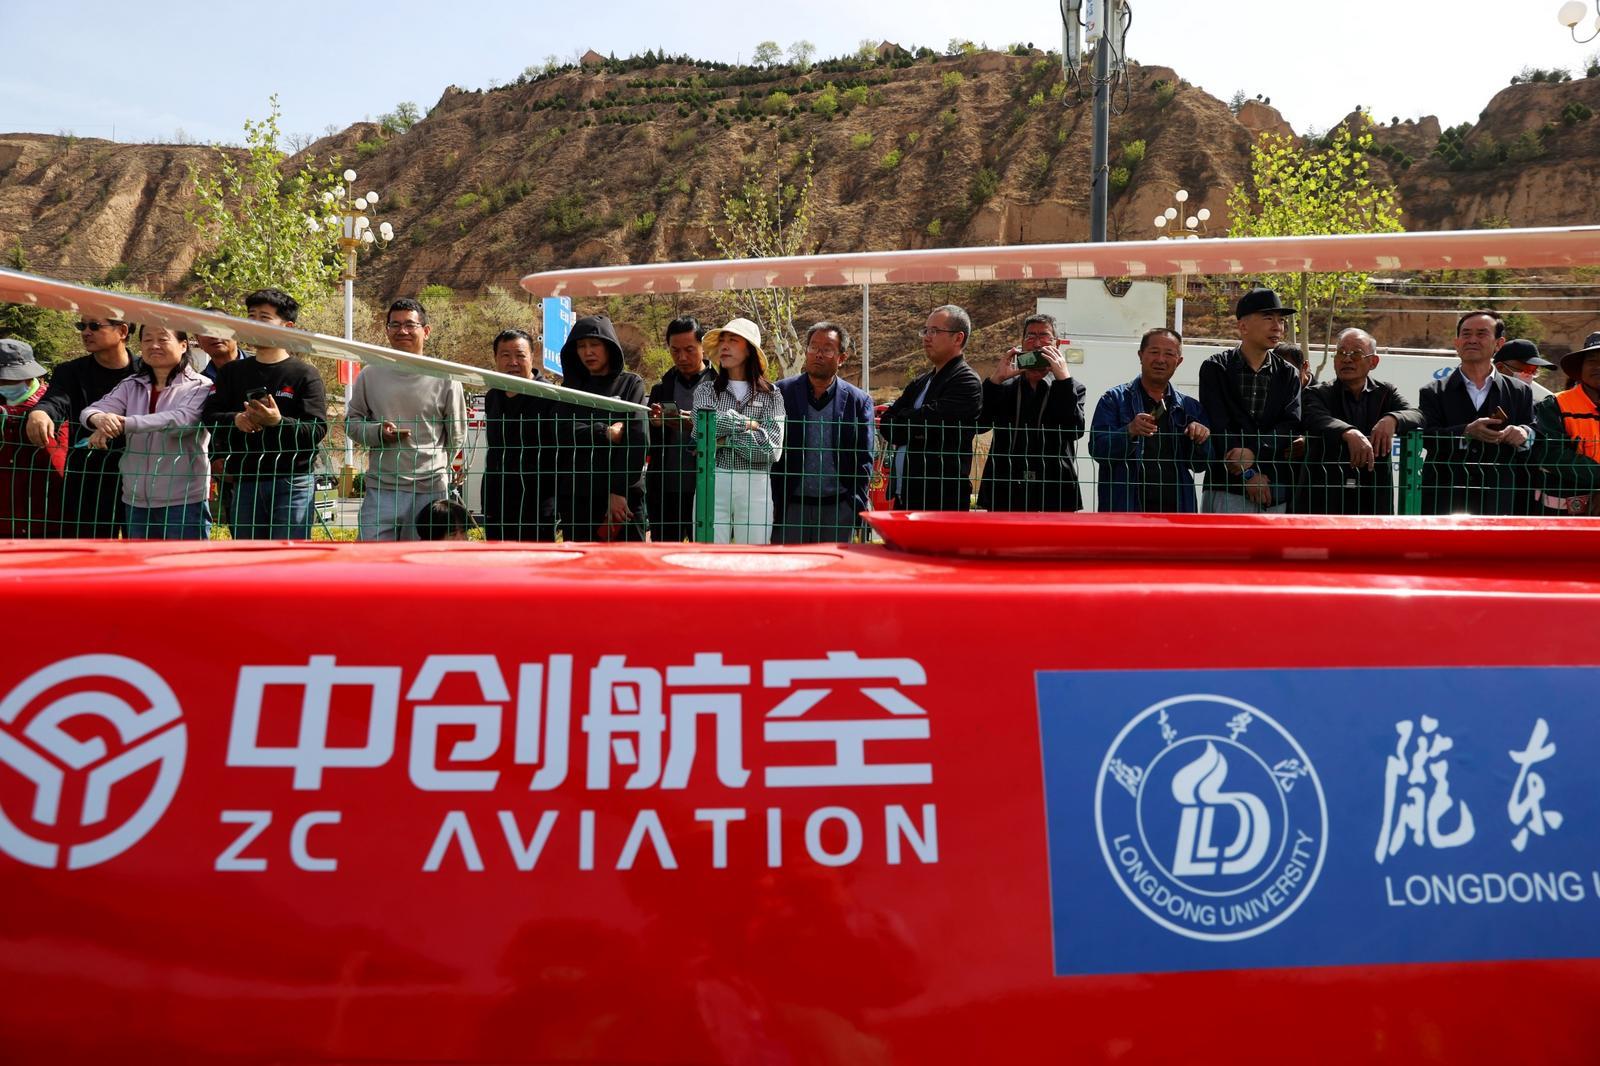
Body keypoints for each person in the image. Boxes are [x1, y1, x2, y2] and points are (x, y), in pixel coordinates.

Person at [200, 289, 328, 539]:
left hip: (293, 481)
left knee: (289, 555)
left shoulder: (304, 374)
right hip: (246, 480)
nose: (255, 323)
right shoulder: (232, 373)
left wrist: (277, 422)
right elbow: (209, 415)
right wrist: (236, 420)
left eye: (264, 318)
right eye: (251, 316)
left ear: (287, 327)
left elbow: (316, 429)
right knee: (249, 555)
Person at [346, 298, 468, 540]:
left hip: (430, 489)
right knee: (372, 556)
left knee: (422, 558)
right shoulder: (370, 374)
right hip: (381, 488)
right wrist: (377, 433)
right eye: (395, 325)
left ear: (426, 331)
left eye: (410, 325)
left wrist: (438, 468)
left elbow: (457, 434)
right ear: (387, 330)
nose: (402, 331)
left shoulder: (446, 377)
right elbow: (352, 422)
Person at [82, 324, 213, 539]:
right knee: (141, 561)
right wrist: (100, 419)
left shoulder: (200, 386)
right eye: (147, 340)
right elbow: (92, 410)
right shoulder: (131, 384)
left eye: (163, 339)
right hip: (135, 501)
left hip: (184, 501)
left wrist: (124, 424)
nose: (154, 345)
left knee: (184, 561)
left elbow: (181, 421)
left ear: (183, 345)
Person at [24, 316, 139, 536]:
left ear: (123, 331)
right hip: (88, 476)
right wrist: (40, 413)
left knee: (144, 547)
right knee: (89, 549)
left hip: (140, 475)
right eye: (82, 326)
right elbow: (56, 401)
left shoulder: (146, 371)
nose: (86, 332)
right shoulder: (70, 372)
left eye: (94, 326)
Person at [1418, 309, 1537, 515]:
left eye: (1481, 334)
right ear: (1457, 343)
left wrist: (1524, 433)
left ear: (1498, 344)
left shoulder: (1520, 391)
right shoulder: (1433, 392)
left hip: (1499, 498)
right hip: (1445, 496)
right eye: (1466, 334)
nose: (1472, 340)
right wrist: (1466, 431)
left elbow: (1535, 431)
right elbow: (1426, 437)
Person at [1198, 288, 1304, 513]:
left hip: (1273, 490)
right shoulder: (1216, 367)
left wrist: (1254, 452)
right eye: (1268, 318)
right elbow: (1218, 425)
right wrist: (1248, 474)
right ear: (1243, 326)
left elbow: (1289, 424)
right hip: (1226, 487)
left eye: (1281, 320)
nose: (1277, 327)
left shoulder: (1288, 373)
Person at [1300, 328, 1424, 514]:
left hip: (1373, 492)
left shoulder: (1386, 393)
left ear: (1373, 362)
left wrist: (1392, 418)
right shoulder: (1318, 393)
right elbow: (1315, 418)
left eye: (1356, 354)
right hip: (1326, 493)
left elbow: (1416, 415)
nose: (1347, 359)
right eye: (1341, 353)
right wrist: (1349, 433)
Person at [772, 320, 874, 542]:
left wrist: (855, 503)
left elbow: (864, 459)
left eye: (827, 349)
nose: (818, 354)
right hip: (790, 507)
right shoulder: (781, 392)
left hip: (838, 509)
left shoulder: (858, 401)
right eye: (813, 347)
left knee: (834, 564)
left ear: (841, 358)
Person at [1089, 327, 1211, 512]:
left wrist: (1200, 440)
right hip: (1126, 511)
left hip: (1176, 512)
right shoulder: (1114, 399)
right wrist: (1129, 431)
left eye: (1169, 354)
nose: (1160, 359)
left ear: (1179, 361)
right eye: (1154, 352)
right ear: (1140, 355)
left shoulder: (1190, 408)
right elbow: (1098, 450)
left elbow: (1199, 465)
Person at [551, 314, 648, 541]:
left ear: (609, 346)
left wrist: (618, 491)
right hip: (578, 500)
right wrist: (604, 432)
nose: (588, 352)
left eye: (594, 344)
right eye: (581, 346)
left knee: (629, 561)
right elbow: (561, 431)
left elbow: (637, 440)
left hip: (624, 501)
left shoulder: (630, 384)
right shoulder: (570, 389)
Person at [977, 313, 1086, 512]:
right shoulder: (1005, 386)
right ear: (1021, 344)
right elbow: (979, 425)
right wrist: (995, 380)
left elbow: (1074, 430)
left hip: (1053, 489)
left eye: (1044, 336)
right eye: (1030, 336)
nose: (1036, 344)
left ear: (1057, 344)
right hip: (1005, 487)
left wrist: (1063, 379)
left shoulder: (1072, 387)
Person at [880, 304, 983, 511]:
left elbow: (933, 424)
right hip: (905, 496)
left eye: (935, 331)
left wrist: (906, 420)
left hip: (940, 499)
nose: (927, 337)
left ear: (958, 338)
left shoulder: (966, 381)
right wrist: (915, 423)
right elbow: (887, 424)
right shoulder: (920, 382)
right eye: (925, 330)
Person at [692, 317, 784, 544]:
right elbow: (702, 427)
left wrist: (722, 440)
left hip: (756, 483)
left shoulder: (772, 395)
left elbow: (771, 449)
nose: (724, 346)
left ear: (750, 350)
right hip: (712, 478)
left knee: (754, 555)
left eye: (733, 340)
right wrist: (747, 423)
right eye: (722, 340)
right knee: (709, 554)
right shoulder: (705, 390)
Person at [481, 328, 556, 540]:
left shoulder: (550, 396)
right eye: (505, 355)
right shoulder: (492, 396)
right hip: (497, 500)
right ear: (496, 358)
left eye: (520, 355)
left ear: (532, 356)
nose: (513, 362)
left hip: (537, 503)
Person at [646, 317, 714, 542]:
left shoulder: (721, 387)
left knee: (705, 555)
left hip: (707, 491)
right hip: (665, 491)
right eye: (675, 351)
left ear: (703, 347)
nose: (682, 357)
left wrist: (700, 425)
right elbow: (648, 440)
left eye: (689, 350)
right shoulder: (661, 389)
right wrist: (655, 424)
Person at [0, 338, 68, 536]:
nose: (3, 384)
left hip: (45, 511)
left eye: (9, 380)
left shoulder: (54, 407)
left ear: (30, 377)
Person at [1529, 332, 1600, 516]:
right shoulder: (1554, 405)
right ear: (1580, 367)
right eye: (1592, 360)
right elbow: (1552, 454)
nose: (1598, 366)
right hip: (1563, 511)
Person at [1493, 338, 1555, 403]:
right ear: (1500, 367)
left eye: (1533, 372)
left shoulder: (1531, 404)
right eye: (1525, 370)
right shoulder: (1487, 397)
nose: (1529, 376)